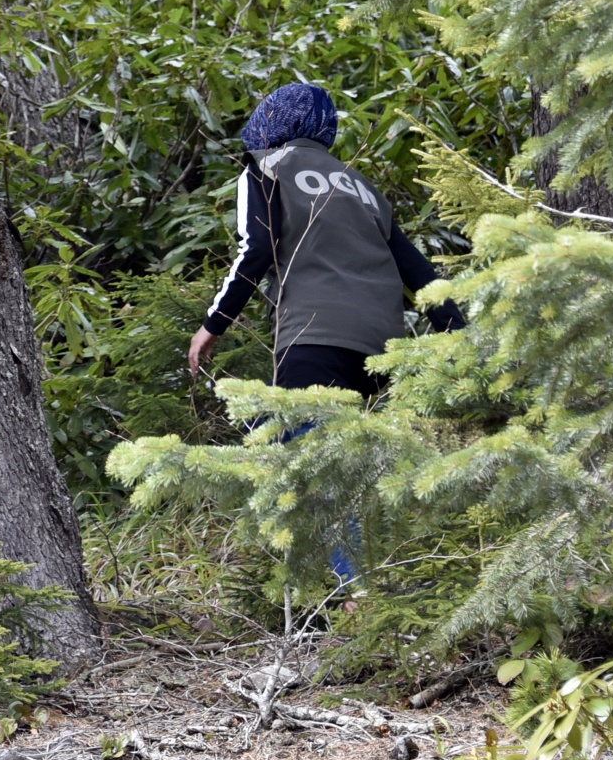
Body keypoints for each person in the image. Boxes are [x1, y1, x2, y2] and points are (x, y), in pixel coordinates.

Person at [187, 82, 464, 590]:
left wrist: (213, 324)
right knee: (315, 454)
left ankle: (357, 597)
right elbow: (420, 274)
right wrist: (463, 337)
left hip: (312, 334)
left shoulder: (265, 168)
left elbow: (257, 248)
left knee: (318, 473)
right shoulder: (360, 185)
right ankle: (364, 579)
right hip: (379, 348)